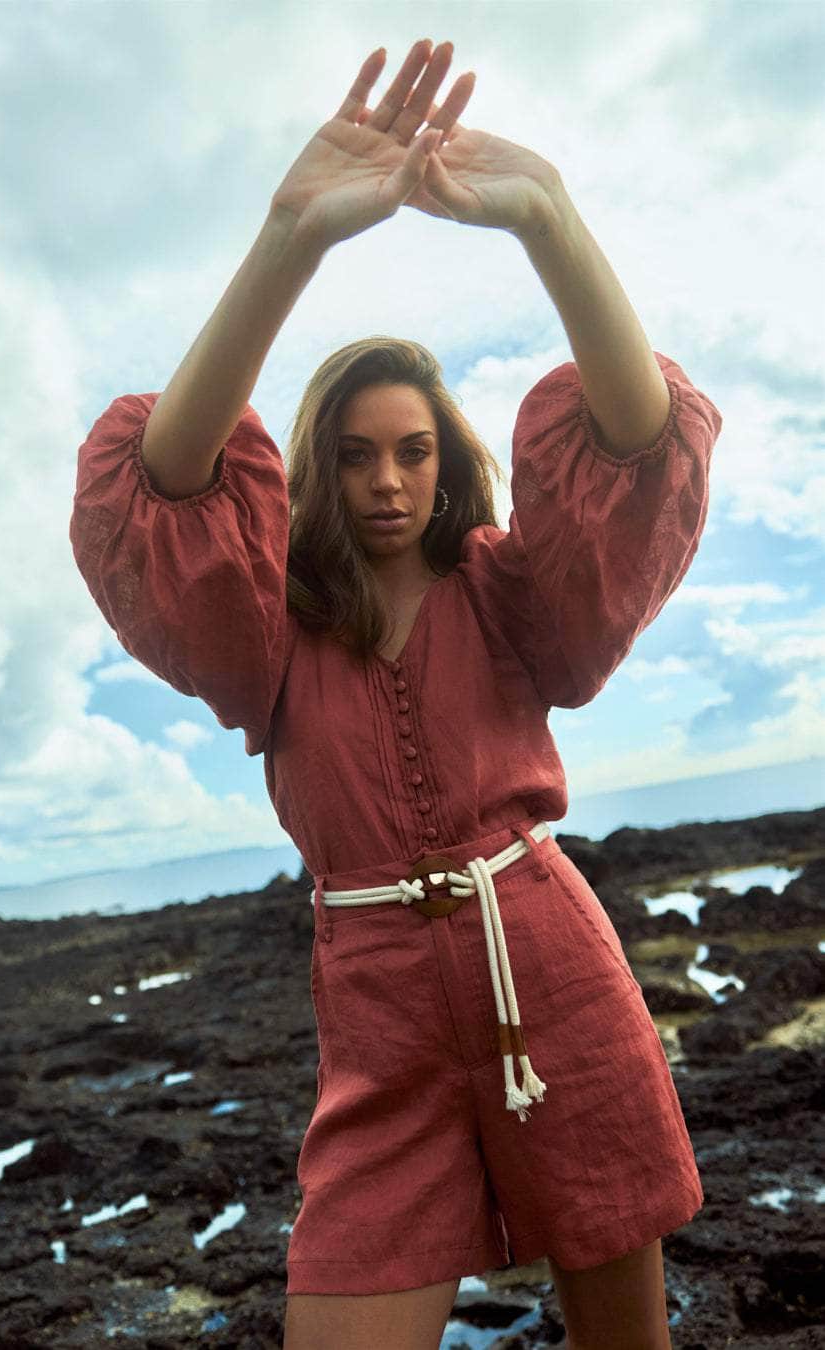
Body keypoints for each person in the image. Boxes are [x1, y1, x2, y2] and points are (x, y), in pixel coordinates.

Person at [70, 38, 723, 1350]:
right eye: (358, 452)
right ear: (321, 463)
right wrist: (291, 238)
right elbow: (163, 481)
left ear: (444, 460)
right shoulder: (265, 635)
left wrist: (547, 215)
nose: (387, 481)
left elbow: (641, 440)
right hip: (378, 1020)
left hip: (556, 978)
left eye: (414, 451)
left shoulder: (513, 593)